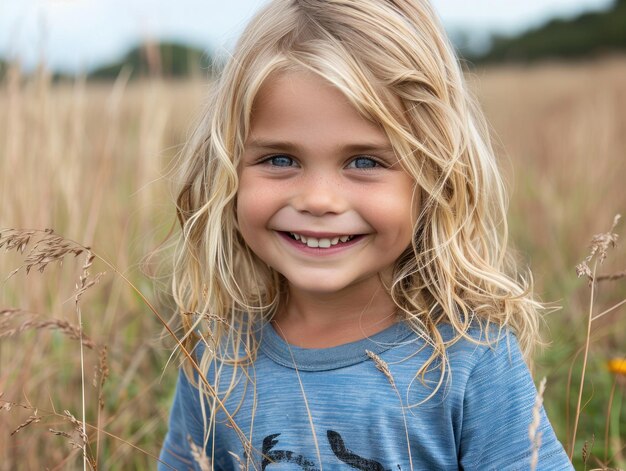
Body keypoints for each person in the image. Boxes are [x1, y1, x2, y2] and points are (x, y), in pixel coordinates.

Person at [158, 0, 573, 469]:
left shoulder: (468, 359)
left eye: (364, 162)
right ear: (227, 171)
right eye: (280, 159)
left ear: (434, 177)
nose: (319, 200)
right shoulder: (218, 359)